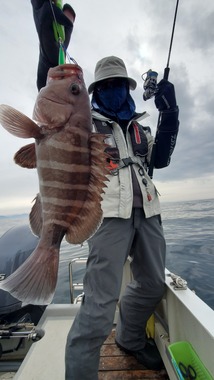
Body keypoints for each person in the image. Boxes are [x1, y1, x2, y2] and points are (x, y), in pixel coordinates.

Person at [31, 3, 179, 379]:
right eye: (107, 86)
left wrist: (170, 113)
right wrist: (50, 56)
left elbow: (158, 160)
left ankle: (129, 338)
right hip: (108, 215)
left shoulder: (139, 129)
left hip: (148, 211)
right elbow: (52, 103)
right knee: (99, 303)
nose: (114, 91)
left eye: (119, 85)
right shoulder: (84, 121)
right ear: (95, 91)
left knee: (152, 284)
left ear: (129, 89)